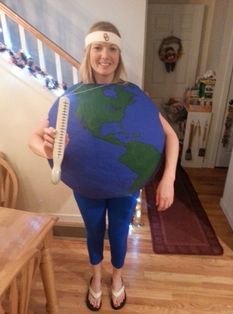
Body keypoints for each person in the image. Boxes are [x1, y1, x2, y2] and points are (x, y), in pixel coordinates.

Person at [28, 21, 179, 311]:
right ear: (88, 51)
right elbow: (33, 139)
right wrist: (48, 148)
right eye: (98, 47)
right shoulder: (71, 97)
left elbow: (170, 135)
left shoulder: (134, 96)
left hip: (125, 184)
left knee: (120, 230)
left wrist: (168, 178)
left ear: (119, 55)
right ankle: (97, 278)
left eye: (112, 49)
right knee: (94, 229)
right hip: (87, 184)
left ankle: (117, 277)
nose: (104, 55)